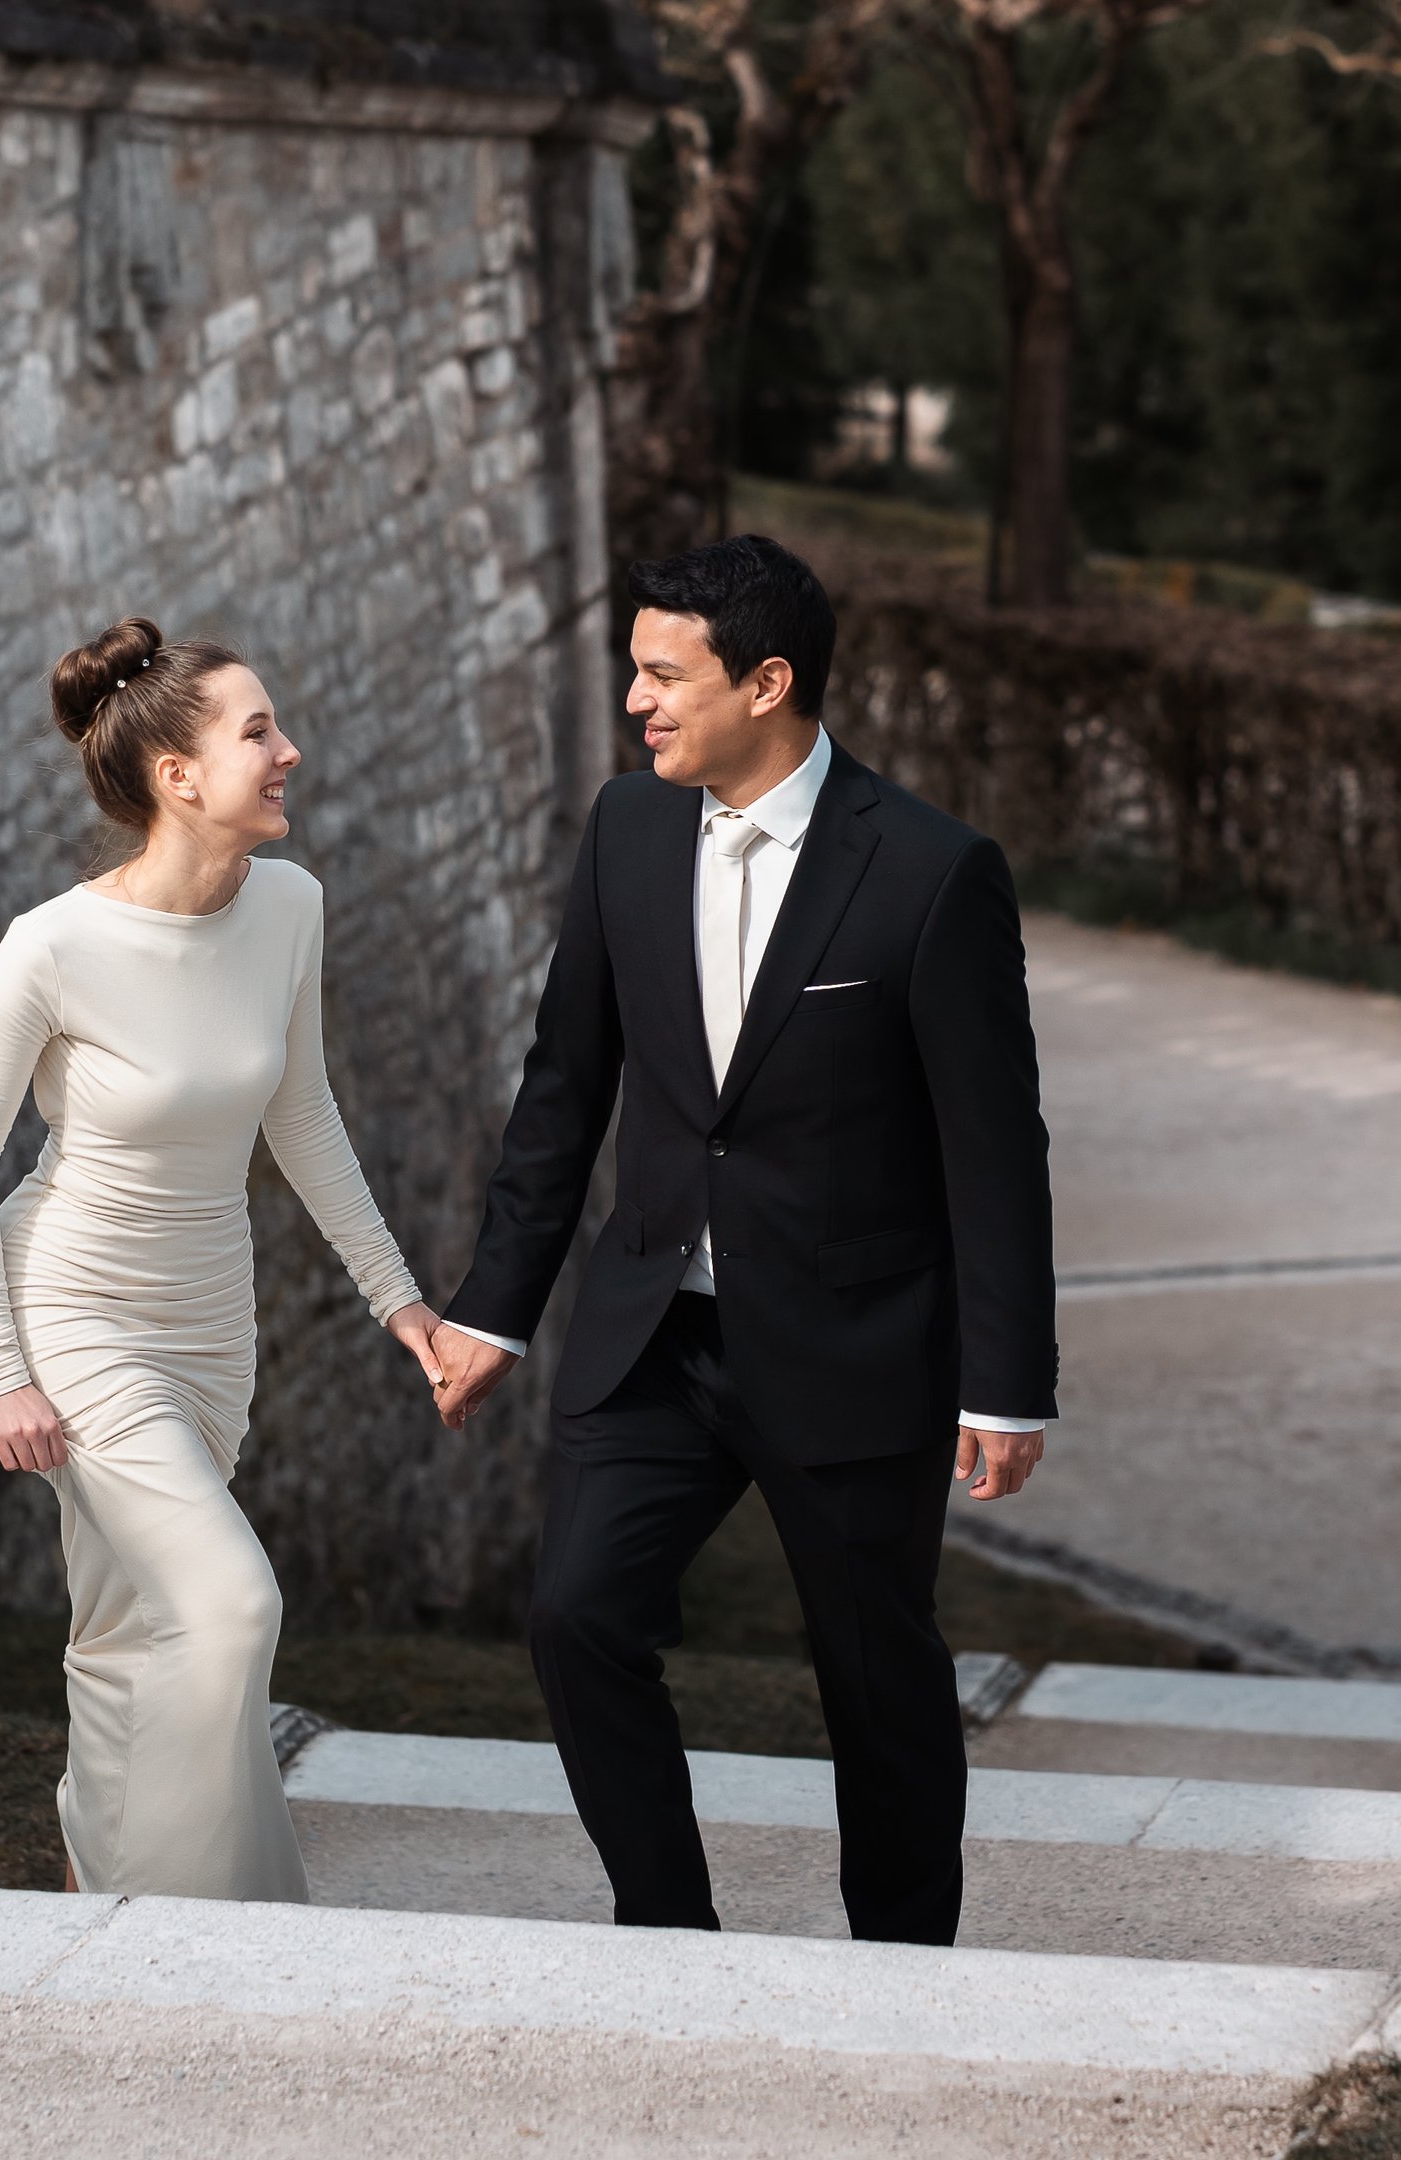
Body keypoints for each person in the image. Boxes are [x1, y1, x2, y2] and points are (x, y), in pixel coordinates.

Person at [425, 534, 1056, 1947]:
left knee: (874, 1676)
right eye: (634, 672)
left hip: (852, 1348)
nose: (638, 701)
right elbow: (565, 1085)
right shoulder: (627, 829)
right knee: (579, 1617)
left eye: (665, 675)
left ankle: (901, 1967)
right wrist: (494, 1309)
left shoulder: (932, 876)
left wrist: (1007, 1384)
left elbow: (995, 1152)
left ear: (767, 682)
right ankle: (668, 1933)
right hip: (654, 1332)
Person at [0, 617, 446, 1901]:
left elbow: (304, 1116)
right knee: (229, 1608)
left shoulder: (289, 907)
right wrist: (1, 1373)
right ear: (178, 777)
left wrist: (398, 1298)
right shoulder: (52, 946)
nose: (291, 752)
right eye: (259, 731)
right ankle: (201, 1935)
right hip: (73, 1312)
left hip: (213, 1324)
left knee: (123, 1634)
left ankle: (92, 1871)